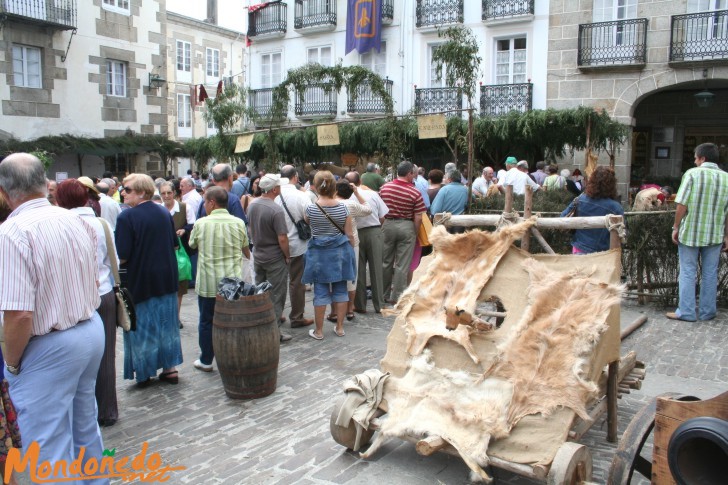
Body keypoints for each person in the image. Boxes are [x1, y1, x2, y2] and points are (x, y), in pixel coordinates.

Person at [0, 153, 108, 483]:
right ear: (43, 183)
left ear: (4, 192)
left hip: (51, 342)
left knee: (44, 442)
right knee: (84, 424)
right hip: (88, 329)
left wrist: (13, 363)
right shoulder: (75, 220)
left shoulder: (12, 232)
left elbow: (18, 314)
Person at [55, 179, 119, 428]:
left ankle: (79, 412)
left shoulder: (61, 225)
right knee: (106, 357)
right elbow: (111, 259)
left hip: (72, 295)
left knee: (73, 357)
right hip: (103, 293)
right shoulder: (101, 224)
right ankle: (106, 410)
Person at [115, 173, 182, 386]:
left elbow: (122, 254)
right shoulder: (163, 212)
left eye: (128, 190)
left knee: (142, 324)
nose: (123, 193)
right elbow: (174, 244)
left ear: (142, 192)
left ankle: (144, 372)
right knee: (167, 323)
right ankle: (170, 368)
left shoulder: (127, 217)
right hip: (166, 276)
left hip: (140, 278)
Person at [189, 186, 250, 372]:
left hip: (208, 281)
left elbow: (192, 244)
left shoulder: (201, 223)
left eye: (205, 202)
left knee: (207, 320)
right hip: (232, 283)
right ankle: (233, 357)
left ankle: (206, 360)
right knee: (232, 321)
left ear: (212, 203)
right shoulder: (238, 223)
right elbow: (245, 249)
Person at [667, 143, 728, 322]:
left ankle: (686, 312)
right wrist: (726, 235)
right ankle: (707, 312)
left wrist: (676, 227)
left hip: (690, 233)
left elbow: (682, 204)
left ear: (702, 158)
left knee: (687, 271)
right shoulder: (726, 178)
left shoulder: (692, 174)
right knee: (710, 273)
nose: (694, 161)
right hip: (715, 234)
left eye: (695, 157)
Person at [303, 171, 356, 340]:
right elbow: (349, 234)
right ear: (334, 186)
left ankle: (319, 331)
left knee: (320, 292)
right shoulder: (343, 208)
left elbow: (308, 224)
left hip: (319, 255)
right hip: (340, 253)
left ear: (317, 187)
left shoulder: (311, 208)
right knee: (341, 290)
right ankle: (339, 328)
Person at [247, 173, 293, 342]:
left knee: (261, 293)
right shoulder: (275, 209)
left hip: (259, 254)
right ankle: (273, 332)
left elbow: (250, 229)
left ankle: (261, 327)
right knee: (276, 295)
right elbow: (282, 237)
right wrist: (287, 255)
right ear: (274, 189)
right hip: (274, 257)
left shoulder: (252, 205)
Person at [379, 161, 427, 304]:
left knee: (385, 261)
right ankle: (398, 296)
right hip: (407, 225)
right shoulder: (415, 192)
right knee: (402, 264)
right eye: (414, 174)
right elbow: (418, 216)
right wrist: (415, 231)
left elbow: (380, 210)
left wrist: (385, 224)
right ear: (409, 174)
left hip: (388, 224)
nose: (415, 177)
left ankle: (383, 294)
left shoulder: (384, 188)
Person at [327, 179, 372, 321]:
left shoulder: (328, 204)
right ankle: (350, 309)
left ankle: (334, 311)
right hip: (351, 244)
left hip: (332, 244)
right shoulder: (351, 204)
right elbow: (368, 209)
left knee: (333, 277)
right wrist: (357, 193)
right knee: (352, 276)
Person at [275, 166, 314, 328]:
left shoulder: (273, 195)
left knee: (277, 281)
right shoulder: (301, 196)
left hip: (276, 244)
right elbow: (309, 216)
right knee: (297, 282)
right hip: (298, 244)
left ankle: (277, 314)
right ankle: (297, 317)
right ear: (295, 177)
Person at [560, 166, 624, 254]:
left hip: (579, 249)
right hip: (603, 254)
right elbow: (622, 233)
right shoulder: (616, 208)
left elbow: (563, 217)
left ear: (592, 181)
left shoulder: (580, 200)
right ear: (612, 185)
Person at [160, 181, 195, 326]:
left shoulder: (185, 207)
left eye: (169, 192)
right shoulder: (159, 209)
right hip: (163, 252)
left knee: (179, 287)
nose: (167, 196)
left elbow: (192, 224)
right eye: (163, 193)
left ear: (174, 193)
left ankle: (176, 317)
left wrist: (184, 230)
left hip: (181, 251)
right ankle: (166, 316)